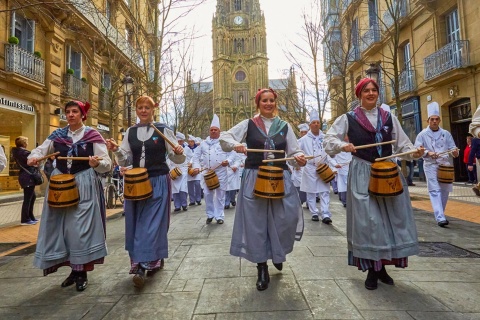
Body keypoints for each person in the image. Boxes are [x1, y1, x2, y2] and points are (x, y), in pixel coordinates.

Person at [324, 78, 424, 290]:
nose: (371, 93)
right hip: (362, 171)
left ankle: (383, 267)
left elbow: (402, 143)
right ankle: (372, 269)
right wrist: (344, 145)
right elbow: (328, 141)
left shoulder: (389, 117)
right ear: (359, 94)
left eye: (374, 90)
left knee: (389, 220)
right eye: (366, 90)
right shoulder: (348, 118)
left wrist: (414, 151)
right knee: (370, 222)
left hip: (387, 172)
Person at [219, 88, 306, 291]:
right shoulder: (248, 124)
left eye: (271, 100)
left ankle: (277, 252)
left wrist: (299, 156)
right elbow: (225, 138)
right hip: (254, 178)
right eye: (264, 101)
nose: (268, 104)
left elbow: (295, 150)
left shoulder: (284, 126)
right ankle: (262, 267)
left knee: (285, 218)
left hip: (279, 178)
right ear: (258, 104)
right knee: (257, 222)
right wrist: (235, 145)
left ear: (275, 103)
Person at [27, 100, 111, 292]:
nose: (71, 114)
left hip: (84, 183)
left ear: (83, 115)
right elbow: (41, 150)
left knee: (80, 229)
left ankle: (81, 272)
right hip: (60, 184)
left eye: (75, 111)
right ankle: (73, 270)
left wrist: (96, 163)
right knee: (62, 228)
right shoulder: (58, 135)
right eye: (68, 112)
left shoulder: (92, 135)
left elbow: (106, 162)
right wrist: (33, 156)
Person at [106, 96, 184, 288]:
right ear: (136, 110)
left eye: (146, 107)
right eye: (140, 107)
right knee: (136, 222)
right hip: (135, 182)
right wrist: (116, 150)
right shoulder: (130, 132)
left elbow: (176, 157)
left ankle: (142, 265)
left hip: (158, 180)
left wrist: (179, 151)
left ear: (153, 110)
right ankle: (151, 258)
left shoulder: (163, 129)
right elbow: (124, 160)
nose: (143, 110)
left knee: (152, 223)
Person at [414, 102, 459, 227]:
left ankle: (441, 214)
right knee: (434, 190)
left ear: (439, 120)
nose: (434, 121)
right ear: (428, 120)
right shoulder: (422, 134)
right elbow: (417, 149)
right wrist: (428, 153)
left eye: (436, 119)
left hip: (445, 165)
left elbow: (453, 149)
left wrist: (455, 152)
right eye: (432, 119)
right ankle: (440, 217)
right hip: (430, 165)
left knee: (445, 191)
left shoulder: (446, 133)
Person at [192, 115, 236, 225]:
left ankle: (219, 215)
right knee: (207, 194)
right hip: (207, 172)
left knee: (220, 194)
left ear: (219, 131)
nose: (213, 131)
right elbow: (196, 157)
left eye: (215, 130)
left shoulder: (224, 142)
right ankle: (210, 214)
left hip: (221, 172)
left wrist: (228, 161)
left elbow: (233, 153)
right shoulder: (203, 143)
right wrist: (197, 167)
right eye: (211, 130)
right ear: (209, 131)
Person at [299, 111, 334, 224]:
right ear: (310, 125)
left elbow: (330, 153)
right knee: (311, 192)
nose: (316, 124)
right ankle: (314, 212)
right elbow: (297, 151)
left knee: (324, 191)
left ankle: (325, 213)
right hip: (310, 168)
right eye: (313, 122)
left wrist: (334, 167)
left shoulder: (325, 138)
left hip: (323, 167)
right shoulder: (304, 140)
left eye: (318, 122)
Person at [12, 136, 38, 225]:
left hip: (24, 176)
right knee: (28, 198)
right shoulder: (24, 153)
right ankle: (25, 219)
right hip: (28, 176)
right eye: (26, 142)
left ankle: (30, 216)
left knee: (32, 196)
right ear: (23, 144)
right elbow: (33, 162)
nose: (27, 144)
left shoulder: (17, 152)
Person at [168, 131, 191, 212]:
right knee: (175, 190)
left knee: (183, 189)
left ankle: (184, 204)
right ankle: (177, 205)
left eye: (180, 141)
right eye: (178, 141)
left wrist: (190, 163)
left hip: (183, 170)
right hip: (173, 170)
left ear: (182, 141)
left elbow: (191, 157)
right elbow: (168, 159)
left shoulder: (187, 149)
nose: (179, 142)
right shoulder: (171, 149)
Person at [330, 137, 352, 208]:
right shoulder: (337, 145)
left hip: (350, 166)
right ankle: (344, 200)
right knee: (342, 185)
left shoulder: (352, 144)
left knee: (350, 185)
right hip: (341, 167)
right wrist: (335, 164)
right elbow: (330, 157)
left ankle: (349, 201)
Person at [291, 123, 308, 207]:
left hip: (309, 167)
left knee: (309, 185)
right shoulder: (297, 142)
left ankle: (309, 203)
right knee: (299, 184)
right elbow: (292, 154)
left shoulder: (310, 141)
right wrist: (296, 165)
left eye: (305, 132)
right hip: (299, 168)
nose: (304, 134)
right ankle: (300, 200)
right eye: (302, 132)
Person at [187, 135, 202, 206]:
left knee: (197, 183)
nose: (190, 143)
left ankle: (198, 199)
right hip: (189, 168)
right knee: (190, 185)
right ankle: (192, 200)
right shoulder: (186, 148)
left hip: (196, 167)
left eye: (192, 141)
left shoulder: (198, 148)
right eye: (189, 141)